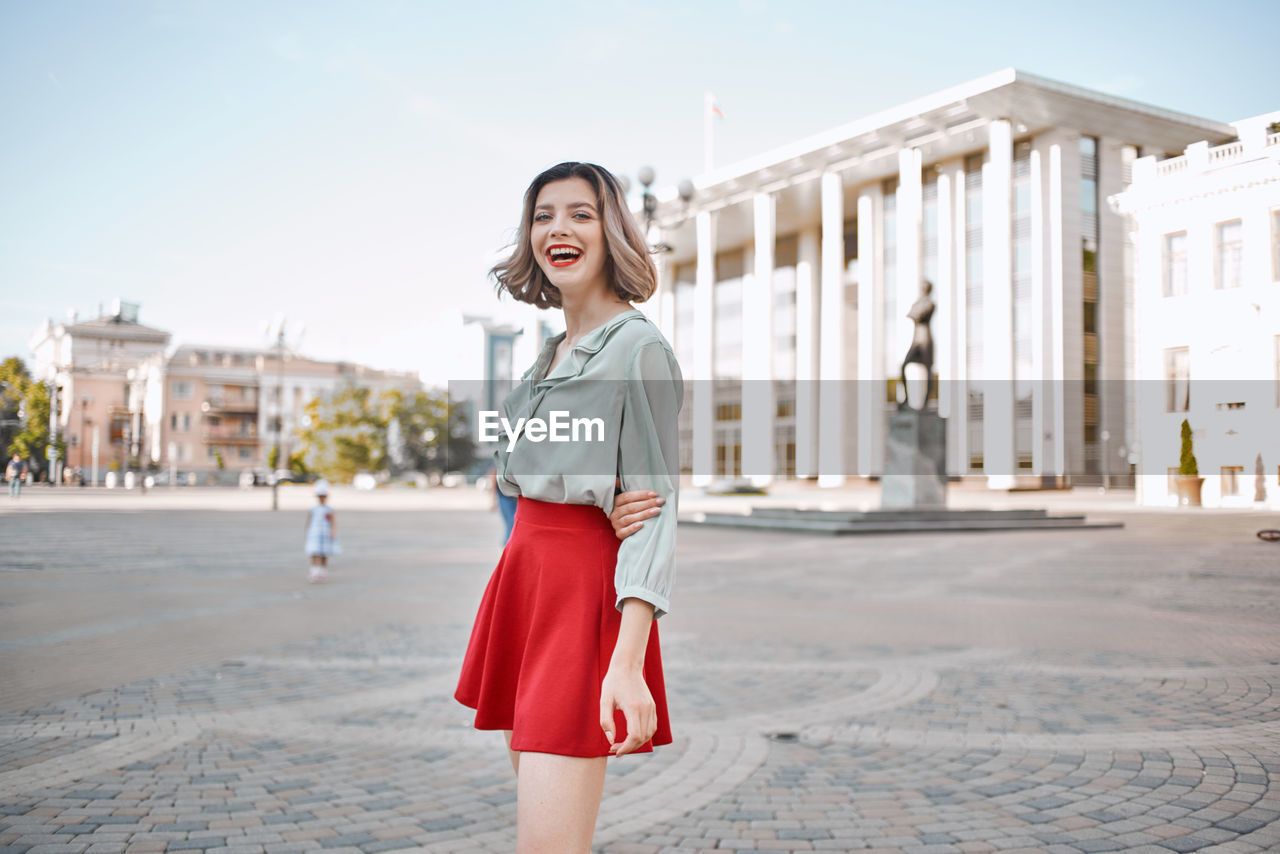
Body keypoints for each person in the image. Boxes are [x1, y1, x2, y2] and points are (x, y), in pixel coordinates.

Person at [454, 161, 682, 853]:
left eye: (581, 213)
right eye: (544, 214)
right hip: (526, 590)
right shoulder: (546, 358)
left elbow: (656, 509)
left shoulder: (637, 347)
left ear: (612, 232)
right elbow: (513, 485)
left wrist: (627, 662)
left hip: (582, 601)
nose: (559, 227)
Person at [304, 479, 337, 583]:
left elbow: (333, 522)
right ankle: (314, 571)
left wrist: (332, 532)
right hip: (315, 532)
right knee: (314, 552)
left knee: (324, 553)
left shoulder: (329, 509)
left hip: (325, 533)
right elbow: (309, 521)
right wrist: (308, 531)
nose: (322, 498)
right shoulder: (313, 509)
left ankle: (322, 572)